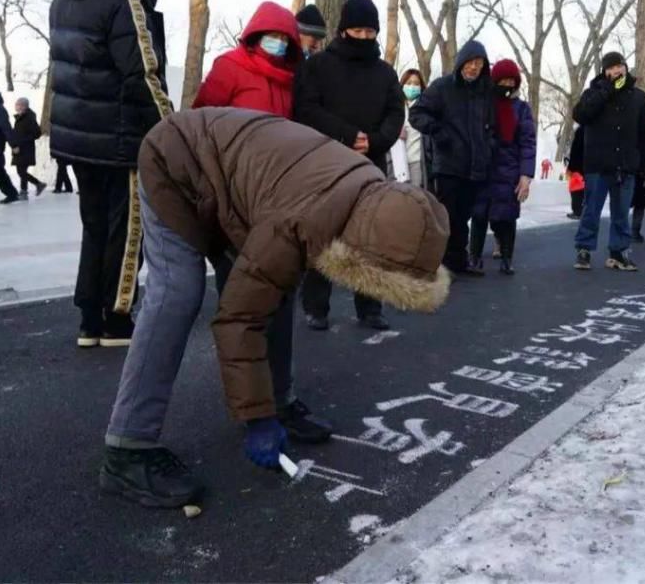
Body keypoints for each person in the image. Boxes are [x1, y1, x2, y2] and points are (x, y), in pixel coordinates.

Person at [100, 107, 450, 508]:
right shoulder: (302, 219)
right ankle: (128, 445)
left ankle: (279, 401)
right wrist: (256, 417)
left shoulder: (369, 197)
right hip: (175, 159)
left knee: (276, 287)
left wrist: (270, 406)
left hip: (235, 179)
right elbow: (238, 319)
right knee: (178, 292)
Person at [195, 1, 328, 441]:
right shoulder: (229, 68)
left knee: (281, 303)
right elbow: (199, 127)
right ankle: (253, 409)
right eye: (271, 36)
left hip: (275, 209)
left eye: (286, 39)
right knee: (244, 309)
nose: (278, 45)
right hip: (232, 207)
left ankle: (282, 399)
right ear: (253, 35)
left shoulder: (294, 81)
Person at [50, 0, 171, 348]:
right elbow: (143, 72)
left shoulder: (65, 0)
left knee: (94, 227)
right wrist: (169, 129)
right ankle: (117, 319)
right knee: (126, 231)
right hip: (121, 139)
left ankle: (89, 319)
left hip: (78, 138)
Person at [294, 0, 404, 330]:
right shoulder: (318, 66)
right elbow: (307, 108)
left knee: (368, 237)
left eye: (371, 33)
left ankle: (369, 306)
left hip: (370, 162)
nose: (365, 39)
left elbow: (395, 112)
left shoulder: (385, 73)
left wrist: (374, 140)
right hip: (327, 161)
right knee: (323, 234)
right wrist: (346, 134)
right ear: (344, 31)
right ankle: (316, 306)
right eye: (358, 32)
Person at [410, 39, 496, 275]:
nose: (474, 67)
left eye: (479, 63)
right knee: (446, 215)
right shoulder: (443, 87)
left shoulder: (485, 92)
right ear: (461, 63)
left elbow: (492, 127)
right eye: (470, 62)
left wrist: (489, 147)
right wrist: (438, 132)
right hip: (449, 163)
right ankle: (441, 262)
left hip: (475, 165)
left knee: (463, 217)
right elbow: (416, 113)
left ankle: (459, 260)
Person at [571, 52, 645, 271]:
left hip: (625, 164)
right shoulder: (594, 92)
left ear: (625, 68)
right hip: (597, 163)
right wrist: (604, 92)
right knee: (591, 210)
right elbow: (580, 115)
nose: (617, 71)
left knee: (621, 212)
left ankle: (619, 252)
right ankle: (584, 249)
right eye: (612, 68)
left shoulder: (638, 97)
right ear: (605, 71)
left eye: (620, 66)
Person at [468, 60, 535, 275]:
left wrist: (525, 175)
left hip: (509, 171)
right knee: (479, 215)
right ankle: (475, 257)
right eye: (502, 81)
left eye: (511, 81)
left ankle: (507, 258)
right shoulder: (483, 104)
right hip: (484, 169)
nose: (507, 85)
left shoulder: (522, 109)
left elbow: (527, 143)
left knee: (507, 217)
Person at [194, 1, 302, 117]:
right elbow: (203, 115)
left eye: (285, 39)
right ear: (259, 35)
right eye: (274, 36)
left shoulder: (288, 76)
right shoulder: (230, 65)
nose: (280, 42)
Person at [11, 98, 47, 200]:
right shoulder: (21, 118)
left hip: (25, 149)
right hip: (20, 149)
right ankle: (24, 192)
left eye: (18, 105)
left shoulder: (29, 118)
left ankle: (38, 184)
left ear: (24, 106)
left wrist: (22, 142)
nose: (16, 106)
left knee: (21, 171)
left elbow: (37, 133)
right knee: (22, 171)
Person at [399, 69, 427, 188]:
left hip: (416, 161)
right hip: (398, 161)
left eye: (416, 84)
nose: (412, 87)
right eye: (409, 83)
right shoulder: (396, 107)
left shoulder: (425, 108)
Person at [564, 152, 585, 220]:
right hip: (576, 186)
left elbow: (570, 173)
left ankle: (577, 214)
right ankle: (577, 212)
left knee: (576, 202)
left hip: (577, 186)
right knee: (577, 201)